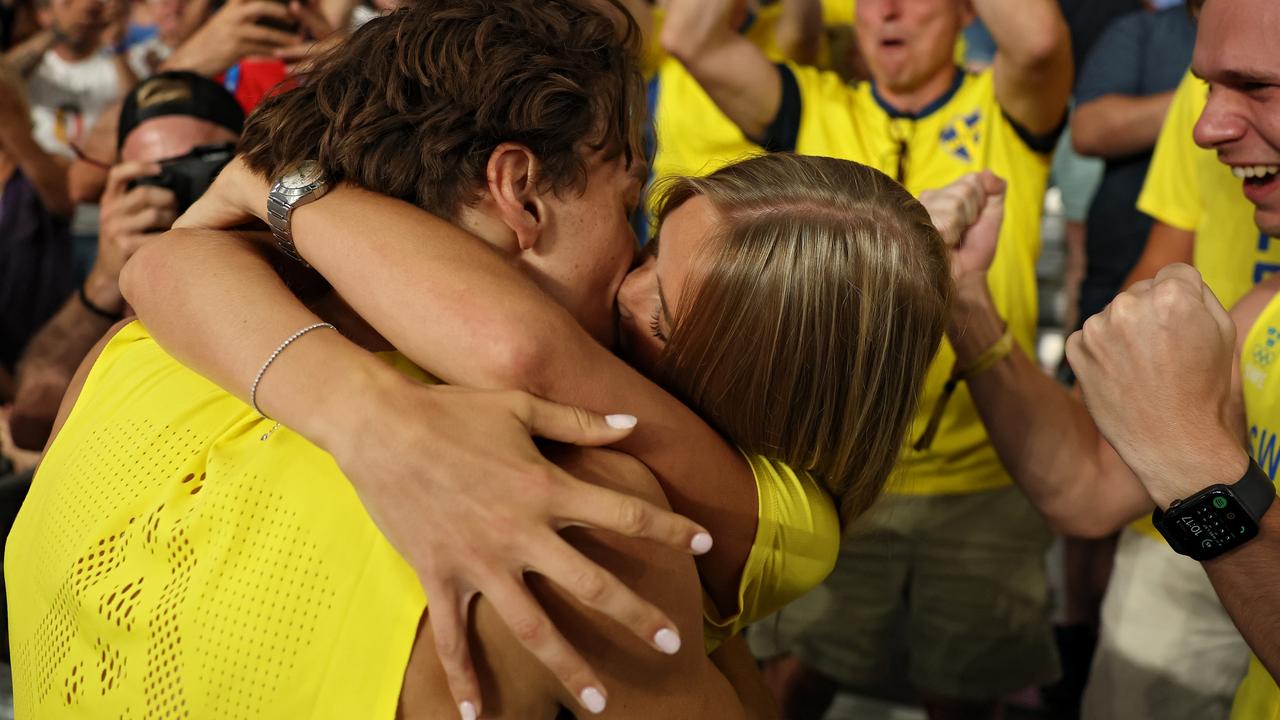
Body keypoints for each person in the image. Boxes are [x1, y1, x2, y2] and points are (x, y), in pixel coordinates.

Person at [7, 0, 957, 716]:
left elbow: (168, 265)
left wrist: (266, 186)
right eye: (629, 207)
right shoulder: (587, 520)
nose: (630, 276)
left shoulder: (130, 360)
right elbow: (519, 349)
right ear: (520, 192)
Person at [660, 0, 1071, 716]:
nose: (887, 10)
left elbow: (1037, 41)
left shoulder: (1001, 102)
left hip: (981, 473)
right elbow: (689, 36)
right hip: (839, 470)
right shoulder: (813, 103)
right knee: (799, 675)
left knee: (964, 692)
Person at [929, 1, 1280, 717]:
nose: (1204, 127)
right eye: (1208, 87)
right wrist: (964, 299)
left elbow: (1182, 475)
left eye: (1260, 87)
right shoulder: (1263, 311)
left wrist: (1193, 468)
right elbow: (1084, 490)